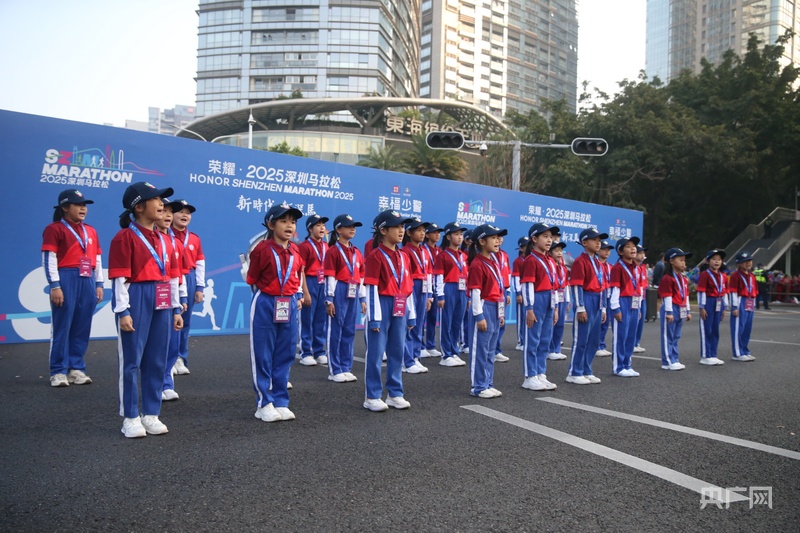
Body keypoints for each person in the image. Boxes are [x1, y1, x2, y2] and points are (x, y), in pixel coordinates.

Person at [109, 182, 182, 438]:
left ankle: (151, 413)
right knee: (132, 361)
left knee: (157, 359)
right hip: (136, 297)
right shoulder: (125, 237)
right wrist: (123, 311)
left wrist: (175, 308)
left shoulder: (165, 239)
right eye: (156, 199)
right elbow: (119, 278)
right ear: (139, 207)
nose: (162, 203)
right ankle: (130, 417)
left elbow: (173, 277)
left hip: (162, 299)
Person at [246, 203, 305, 422]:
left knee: (286, 353)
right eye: (284, 221)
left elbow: (296, 276)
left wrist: (296, 296)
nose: (289, 225)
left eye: (293, 221)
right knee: (263, 354)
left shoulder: (296, 250)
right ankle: (264, 402)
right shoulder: (261, 249)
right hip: (265, 302)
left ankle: (281, 400)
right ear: (271, 224)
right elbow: (252, 278)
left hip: (288, 304)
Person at [42, 189, 104, 387]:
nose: (83, 208)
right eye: (78, 205)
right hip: (66, 278)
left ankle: (76, 368)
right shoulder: (54, 229)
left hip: (87, 280)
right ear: (65, 207)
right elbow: (49, 258)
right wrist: (55, 285)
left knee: (82, 326)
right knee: (62, 326)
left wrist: (99, 283)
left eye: (84, 205)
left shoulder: (91, 231)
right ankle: (58, 371)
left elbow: (97, 259)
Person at [363, 210, 415, 412]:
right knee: (376, 353)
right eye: (397, 227)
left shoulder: (404, 256)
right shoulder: (375, 256)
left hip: (400, 304)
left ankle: (395, 393)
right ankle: (372, 395)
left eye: (403, 227)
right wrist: (374, 318)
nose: (402, 231)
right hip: (381, 304)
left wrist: (411, 314)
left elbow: (407, 286)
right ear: (383, 230)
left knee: (397, 351)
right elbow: (371, 288)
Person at [466, 224, 508, 398]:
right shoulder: (477, 264)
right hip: (483, 308)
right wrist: (479, 315)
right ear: (482, 241)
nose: (497, 240)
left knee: (491, 349)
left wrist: (501, 313)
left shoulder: (494, 261)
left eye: (498, 237)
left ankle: (488, 382)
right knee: (480, 350)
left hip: (495, 307)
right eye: (493, 238)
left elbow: (497, 289)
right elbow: (475, 291)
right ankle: (479, 386)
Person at [324, 214, 365, 382]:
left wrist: (363, 299)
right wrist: (329, 299)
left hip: (353, 290)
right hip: (339, 289)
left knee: (349, 330)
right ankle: (335, 369)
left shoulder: (356, 252)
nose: (353, 229)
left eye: (354, 226)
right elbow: (330, 276)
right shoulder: (333, 251)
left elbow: (361, 276)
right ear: (338, 230)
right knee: (336, 330)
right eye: (348, 226)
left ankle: (346, 366)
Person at [519, 223, 559, 391]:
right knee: (533, 339)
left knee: (545, 339)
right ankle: (530, 376)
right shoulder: (531, 260)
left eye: (551, 237)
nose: (549, 240)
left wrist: (556, 306)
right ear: (534, 239)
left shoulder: (550, 260)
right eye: (545, 236)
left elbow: (554, 285)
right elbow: (527, 285)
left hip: (549, 299)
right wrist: (529, 308)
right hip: (537, 300)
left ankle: (540, 373)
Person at [566, 228, 608, 385]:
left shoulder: (598, 262)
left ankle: (586, 369)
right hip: (586, 299)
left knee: (594, 339)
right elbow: (576, 286)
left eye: (599, 240)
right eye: (594, 240)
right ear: (584, 242)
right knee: (581, 338)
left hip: (597, 300)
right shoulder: (580, 261)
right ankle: (574, 372)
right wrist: (580, 307)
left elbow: (602, 286)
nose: (598, 243)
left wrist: (603, 307)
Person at [169, 199, 205, 376]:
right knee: (169, 320)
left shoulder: (195, 239)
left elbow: (200, 263)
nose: (184, 215)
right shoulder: (166, 236)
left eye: (188, 213)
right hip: (171, 278)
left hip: (189, 279)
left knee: (185, 321)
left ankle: (180, 357)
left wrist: (199, 287)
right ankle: (168, 358)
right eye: (180, 212)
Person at [159, 200, 189, 401]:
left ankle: (166, 382)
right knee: (156, 344)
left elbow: (179, 274)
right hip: (150, 295)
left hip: (171, 296)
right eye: (164, 211)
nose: (168, 216)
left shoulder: (175, 242)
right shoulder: (143, 239)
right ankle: (155, 383)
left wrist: (182, 297)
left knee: (172, 341)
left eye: (171, 212)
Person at [401, 217, 433, 374]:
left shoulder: (425, 251)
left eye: (423, 230)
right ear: (409, 232)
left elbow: (428, 273)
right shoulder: (405, 252)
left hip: (423, 288)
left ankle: (415, 356)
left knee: (420, 323)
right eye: (418, 230)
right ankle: (406, 359)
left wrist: (429, 295)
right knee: (409, 323)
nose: (422, 233)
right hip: (411, 286)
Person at [434, 222, 468, 367]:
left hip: (462, 290)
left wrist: (469, 295)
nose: (460, 237)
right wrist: (440, 295)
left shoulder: (464, 255)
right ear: (448, 236)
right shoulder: (442, 255)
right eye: (456, 234)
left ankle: (454, 351)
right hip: (449, 288)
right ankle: (446, 354)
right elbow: (439, 277)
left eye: (461, 234)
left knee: (457, 322)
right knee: (446, 322)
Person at [298, 214, 330, 366]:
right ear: (310, 229)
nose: (322, 228)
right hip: (310, 282)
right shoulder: (304, 246)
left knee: (320, 320)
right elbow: (301, 270)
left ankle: (319, 351)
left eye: (323, 225)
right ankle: (305, 352)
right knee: (307, 319)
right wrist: (305, 291)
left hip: (323, 283)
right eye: (318, 225)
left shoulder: (326, 246)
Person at [608, 236, 642, 377]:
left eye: (634, 246)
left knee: (631, 336)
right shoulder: (617, 268)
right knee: (621, 335)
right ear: (621, 252)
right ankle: (618, 366)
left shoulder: (636, 267)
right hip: (622, 302)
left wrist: (638, 307)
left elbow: (638, 288)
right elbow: (615, 289)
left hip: (634, 303)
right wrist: (615, 308)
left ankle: (627, 364)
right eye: (628, 246)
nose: (633, 248)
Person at [658, 248, 692, 371]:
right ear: (671, 261)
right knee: (668, 335)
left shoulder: (683, 278)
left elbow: (686, 295)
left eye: (684, 260)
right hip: (671, 308)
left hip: (681, 307)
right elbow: (667, 295)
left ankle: (674, 358)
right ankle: (667, 360)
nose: (683, 263)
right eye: (681, 260)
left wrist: (687, 311)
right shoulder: (668, 278)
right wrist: (669, 312)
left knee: (676, 335)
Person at [697, 249, 727, 366]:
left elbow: (724, 292)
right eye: (714, 259)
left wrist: (725, 307)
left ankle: (713, 354)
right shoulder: (705, 274)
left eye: (719, 260)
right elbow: (701, 291)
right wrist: (702, 307)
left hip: (718, 302)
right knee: (706, 329)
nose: (716, 262)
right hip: (708, 301)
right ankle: (705, 355)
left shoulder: (723, 276)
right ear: (708, 261)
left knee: (715, 330)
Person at [729, 251, 758, 362]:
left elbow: (754, 291)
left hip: (750, 301)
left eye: (749, 261)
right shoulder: (735, 276)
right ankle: (737, 353)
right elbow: (733, 292)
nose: (748, 264)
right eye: (744, 262)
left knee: (747, 328)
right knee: (738, 328)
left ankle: (745, 350)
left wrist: (754, 304)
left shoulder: (752, 276)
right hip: (741, 301)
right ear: (738, 264)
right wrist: (735, 307)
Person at [421, 223, 443, 358]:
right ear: (427, 235)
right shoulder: (423, 250)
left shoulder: (440, 251)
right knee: (421, 317)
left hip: (437, 286)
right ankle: (421, 345)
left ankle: (430, 344)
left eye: (439, 232)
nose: (437, 235)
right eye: (434, 232)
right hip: (425, 285)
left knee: (433, 317)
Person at [547, 239, 569, 361]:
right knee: (552, 323)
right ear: (550, 252)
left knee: (560, 324)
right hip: (553, 296)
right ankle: (550, 349)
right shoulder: (549, 265)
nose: (559, 253)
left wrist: (568, 300)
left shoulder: (562, 267)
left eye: (560, 250)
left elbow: (565, 284)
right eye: (556, 250)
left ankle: (556, 349)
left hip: (562, 297)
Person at [491, 235, 512, 363]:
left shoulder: (504, 255)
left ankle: (496, 350)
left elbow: (507, 274)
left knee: (501, 322)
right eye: (496, 237)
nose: (499, 240)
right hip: (491, 291)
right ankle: (490, 350)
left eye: (500, 237)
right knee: (491, 322)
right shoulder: (488, 255)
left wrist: (508, 291)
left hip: (502, 290)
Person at [595, 240, 614, 357]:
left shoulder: (610, 266)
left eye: (608, 249)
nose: (607, 251)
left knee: (606, 322)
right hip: (599, 294)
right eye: (604, 249)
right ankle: (596, 345)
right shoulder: (596, 264)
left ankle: (601, 344)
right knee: (598, 321)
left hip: (608, 295)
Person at [511, 236, 529, 352]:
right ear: (521, 248)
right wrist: (518, 293)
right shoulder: (518, 261)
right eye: (527, 246)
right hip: (521, 290)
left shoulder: (531, 259)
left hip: (529, 290)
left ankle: (526, 340)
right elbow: (516, 278)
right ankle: (520, 341)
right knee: (521, 317)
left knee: (528, 316)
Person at [633, 245, 648, 353]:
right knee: (635, 321)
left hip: (643, 298)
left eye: (644, 253)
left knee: (641, 321)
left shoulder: (642, 268)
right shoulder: (633, 268)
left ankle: (636, 342)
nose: (643, 255)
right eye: (640, 253)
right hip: (634, 297)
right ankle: (632, 343)